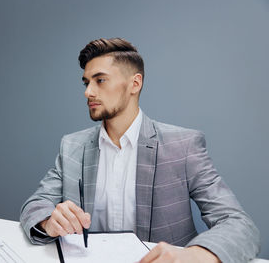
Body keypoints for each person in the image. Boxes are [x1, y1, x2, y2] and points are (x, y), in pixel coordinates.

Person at [20, 38, 260, 263]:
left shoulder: (183, 146)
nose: (88, 92)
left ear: (135, 83)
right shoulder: (72, 146)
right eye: (86, 82)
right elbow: (37, 202)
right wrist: (48, 221)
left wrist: (195, 255)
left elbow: (239, 224)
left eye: (100, 80)